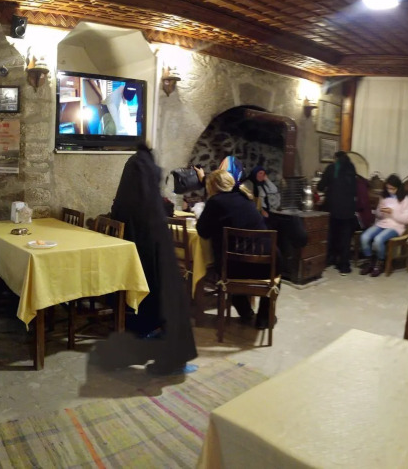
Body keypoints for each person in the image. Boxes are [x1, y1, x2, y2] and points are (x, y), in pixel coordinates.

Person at [93, 143, 197, 374]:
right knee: (165, 304)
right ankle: (167, 358)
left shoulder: (133, 174)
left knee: (153, 306)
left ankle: (150, 352)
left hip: (143, 251)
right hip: (155, 250)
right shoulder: (145, 172)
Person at [196, 169, 274, 329]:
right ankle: (263, 318)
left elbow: (202, 231)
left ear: (212, 186)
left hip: (233, 269)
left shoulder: (215, 202)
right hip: (266, 265)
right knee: (274, 276)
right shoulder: (246, 197)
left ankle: (246, 312)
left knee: (228, 266)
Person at [359, 174, 408, 277]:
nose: (390, 190)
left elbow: (406, 219)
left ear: (398, 187)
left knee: (378, 239)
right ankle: (370, 261)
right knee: (364, 237)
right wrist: (381, 211)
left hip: (396, 226)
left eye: (392, 188)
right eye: (388, 188)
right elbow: (378, 215)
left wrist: (392, 212)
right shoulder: (384, 197)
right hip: (382, 223)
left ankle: (380, 263)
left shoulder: (405, 199)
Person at [318, 151, 357, 276]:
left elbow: (320, 186)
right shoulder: (351, 168)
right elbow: (354, 189)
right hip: (349, 209)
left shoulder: (331, 168)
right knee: (345, 237)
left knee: (331, 234)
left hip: (333, 207)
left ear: (335, 158)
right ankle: (344, 266)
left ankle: (329, 259)